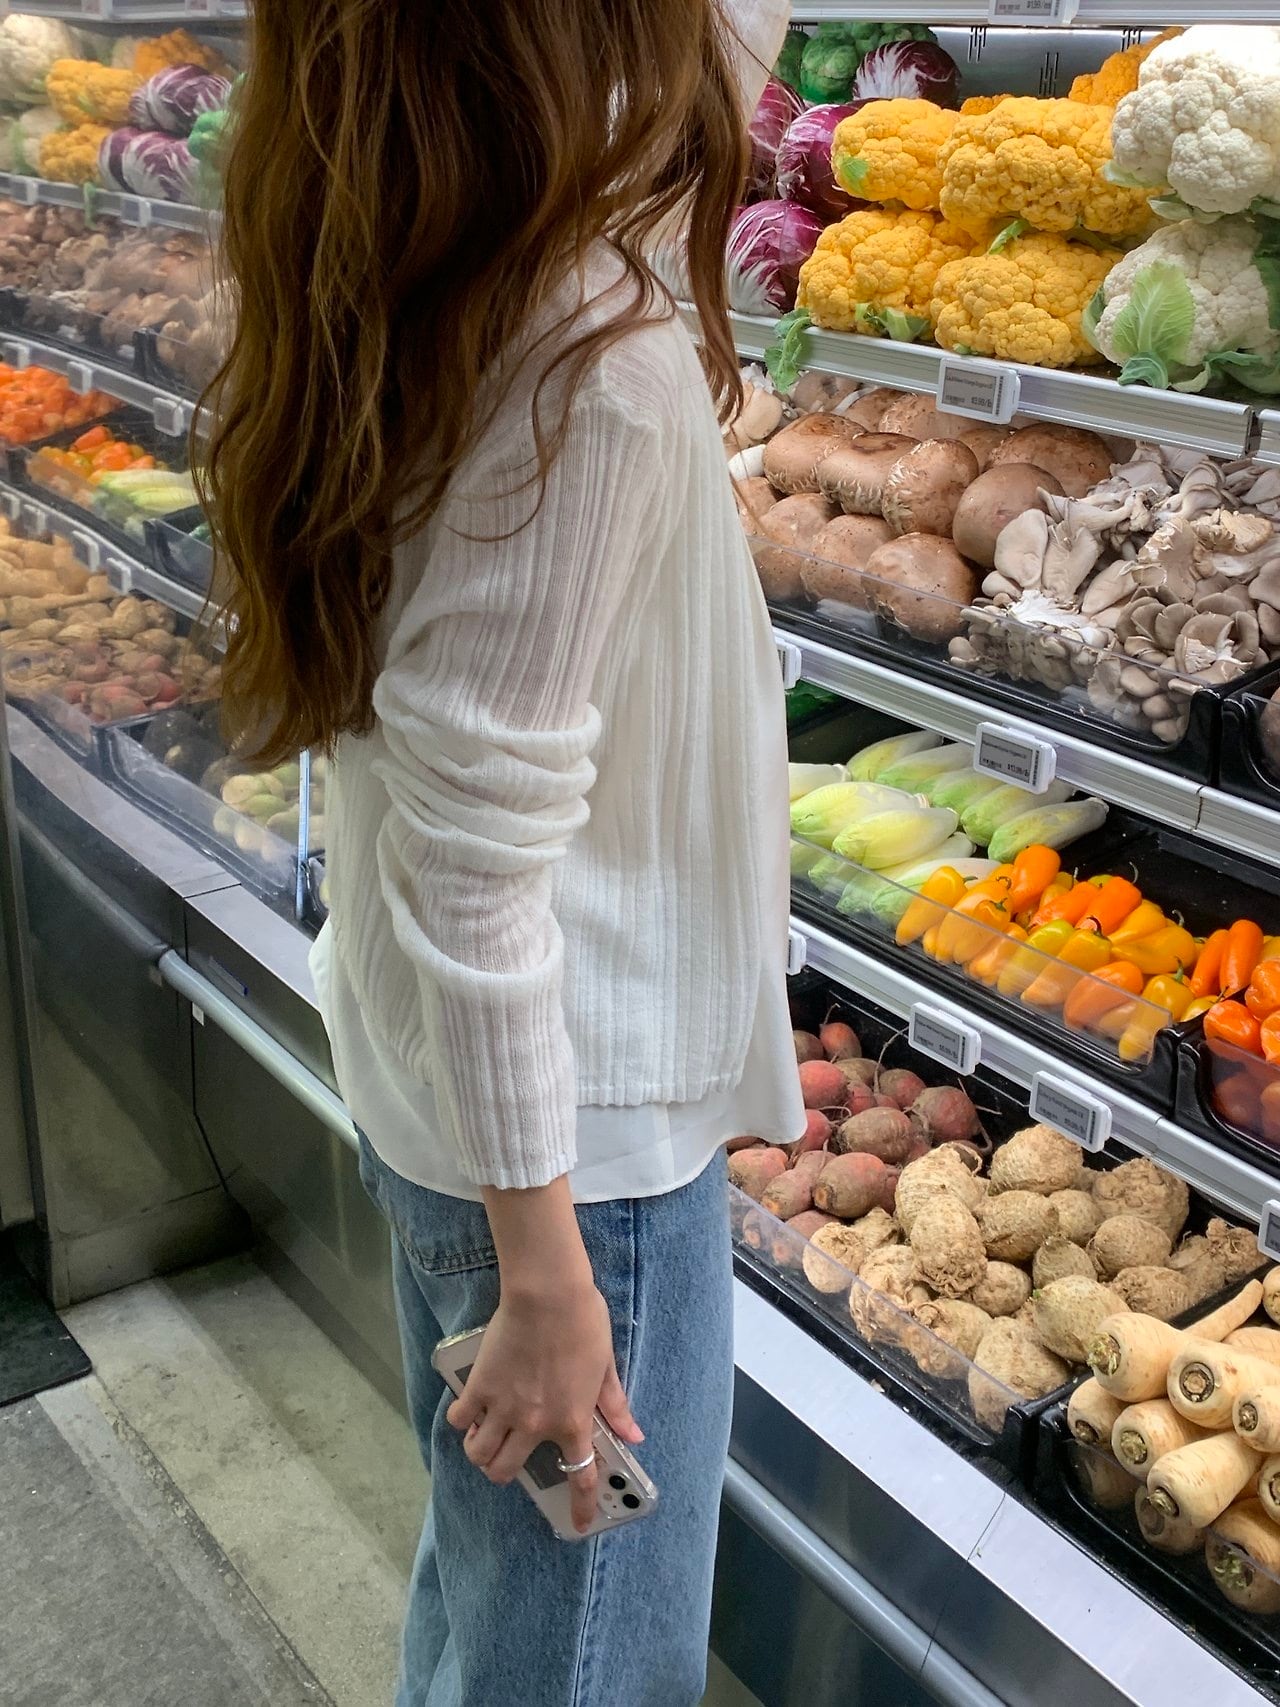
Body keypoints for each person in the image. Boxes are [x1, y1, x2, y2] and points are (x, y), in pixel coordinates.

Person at [205, 1, 802, 1702]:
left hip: (472, 1099)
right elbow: (476, 865)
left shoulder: (406, 228)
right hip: (578, 1159)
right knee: (583, 1667)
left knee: (492, 1611)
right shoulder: (592, 344)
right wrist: (546, 1275)